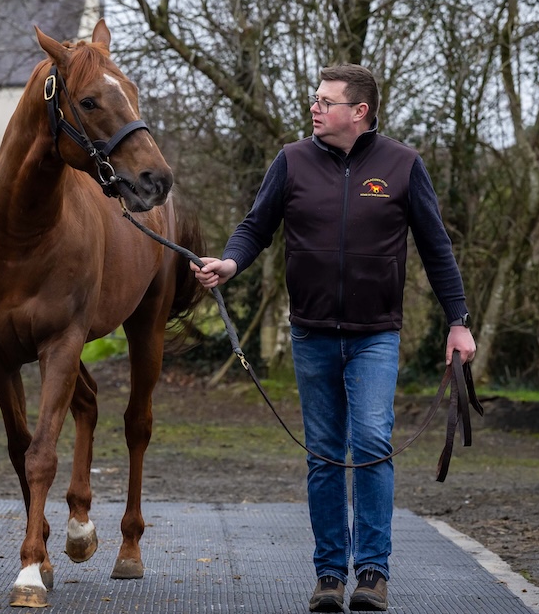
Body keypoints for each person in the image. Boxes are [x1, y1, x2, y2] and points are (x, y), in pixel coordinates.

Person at [192, 64, 476, 612]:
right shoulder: (292, 160)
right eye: (315, 99)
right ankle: (329, 574)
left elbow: (436, 247)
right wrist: (229, 263)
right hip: (311, 334)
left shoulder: (402, 165)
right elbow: (257, 226)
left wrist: (458, 320)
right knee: (324, 455)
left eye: (326, 100)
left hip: (376, 336)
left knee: (370, 444)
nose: (314, 108)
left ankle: (372, 572)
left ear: (359, 112)